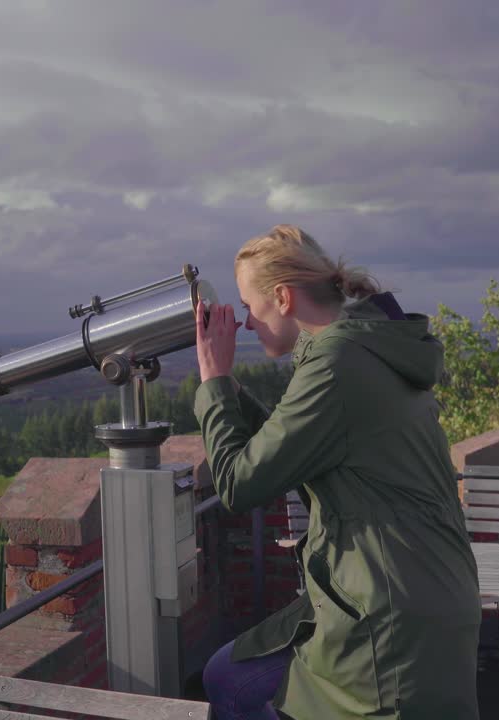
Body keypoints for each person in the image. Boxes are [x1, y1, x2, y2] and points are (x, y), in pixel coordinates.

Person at [193, 225, 481, 720]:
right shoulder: (368, 348)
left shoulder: (336, 363)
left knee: (231, 684)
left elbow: (239, 485)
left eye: (247, 306)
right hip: (426, 590)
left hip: (389, 616)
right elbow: (294, 446)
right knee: (226, 674)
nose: (243, 323)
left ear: (282, 298)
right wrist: (234, 395)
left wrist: (215, 383)